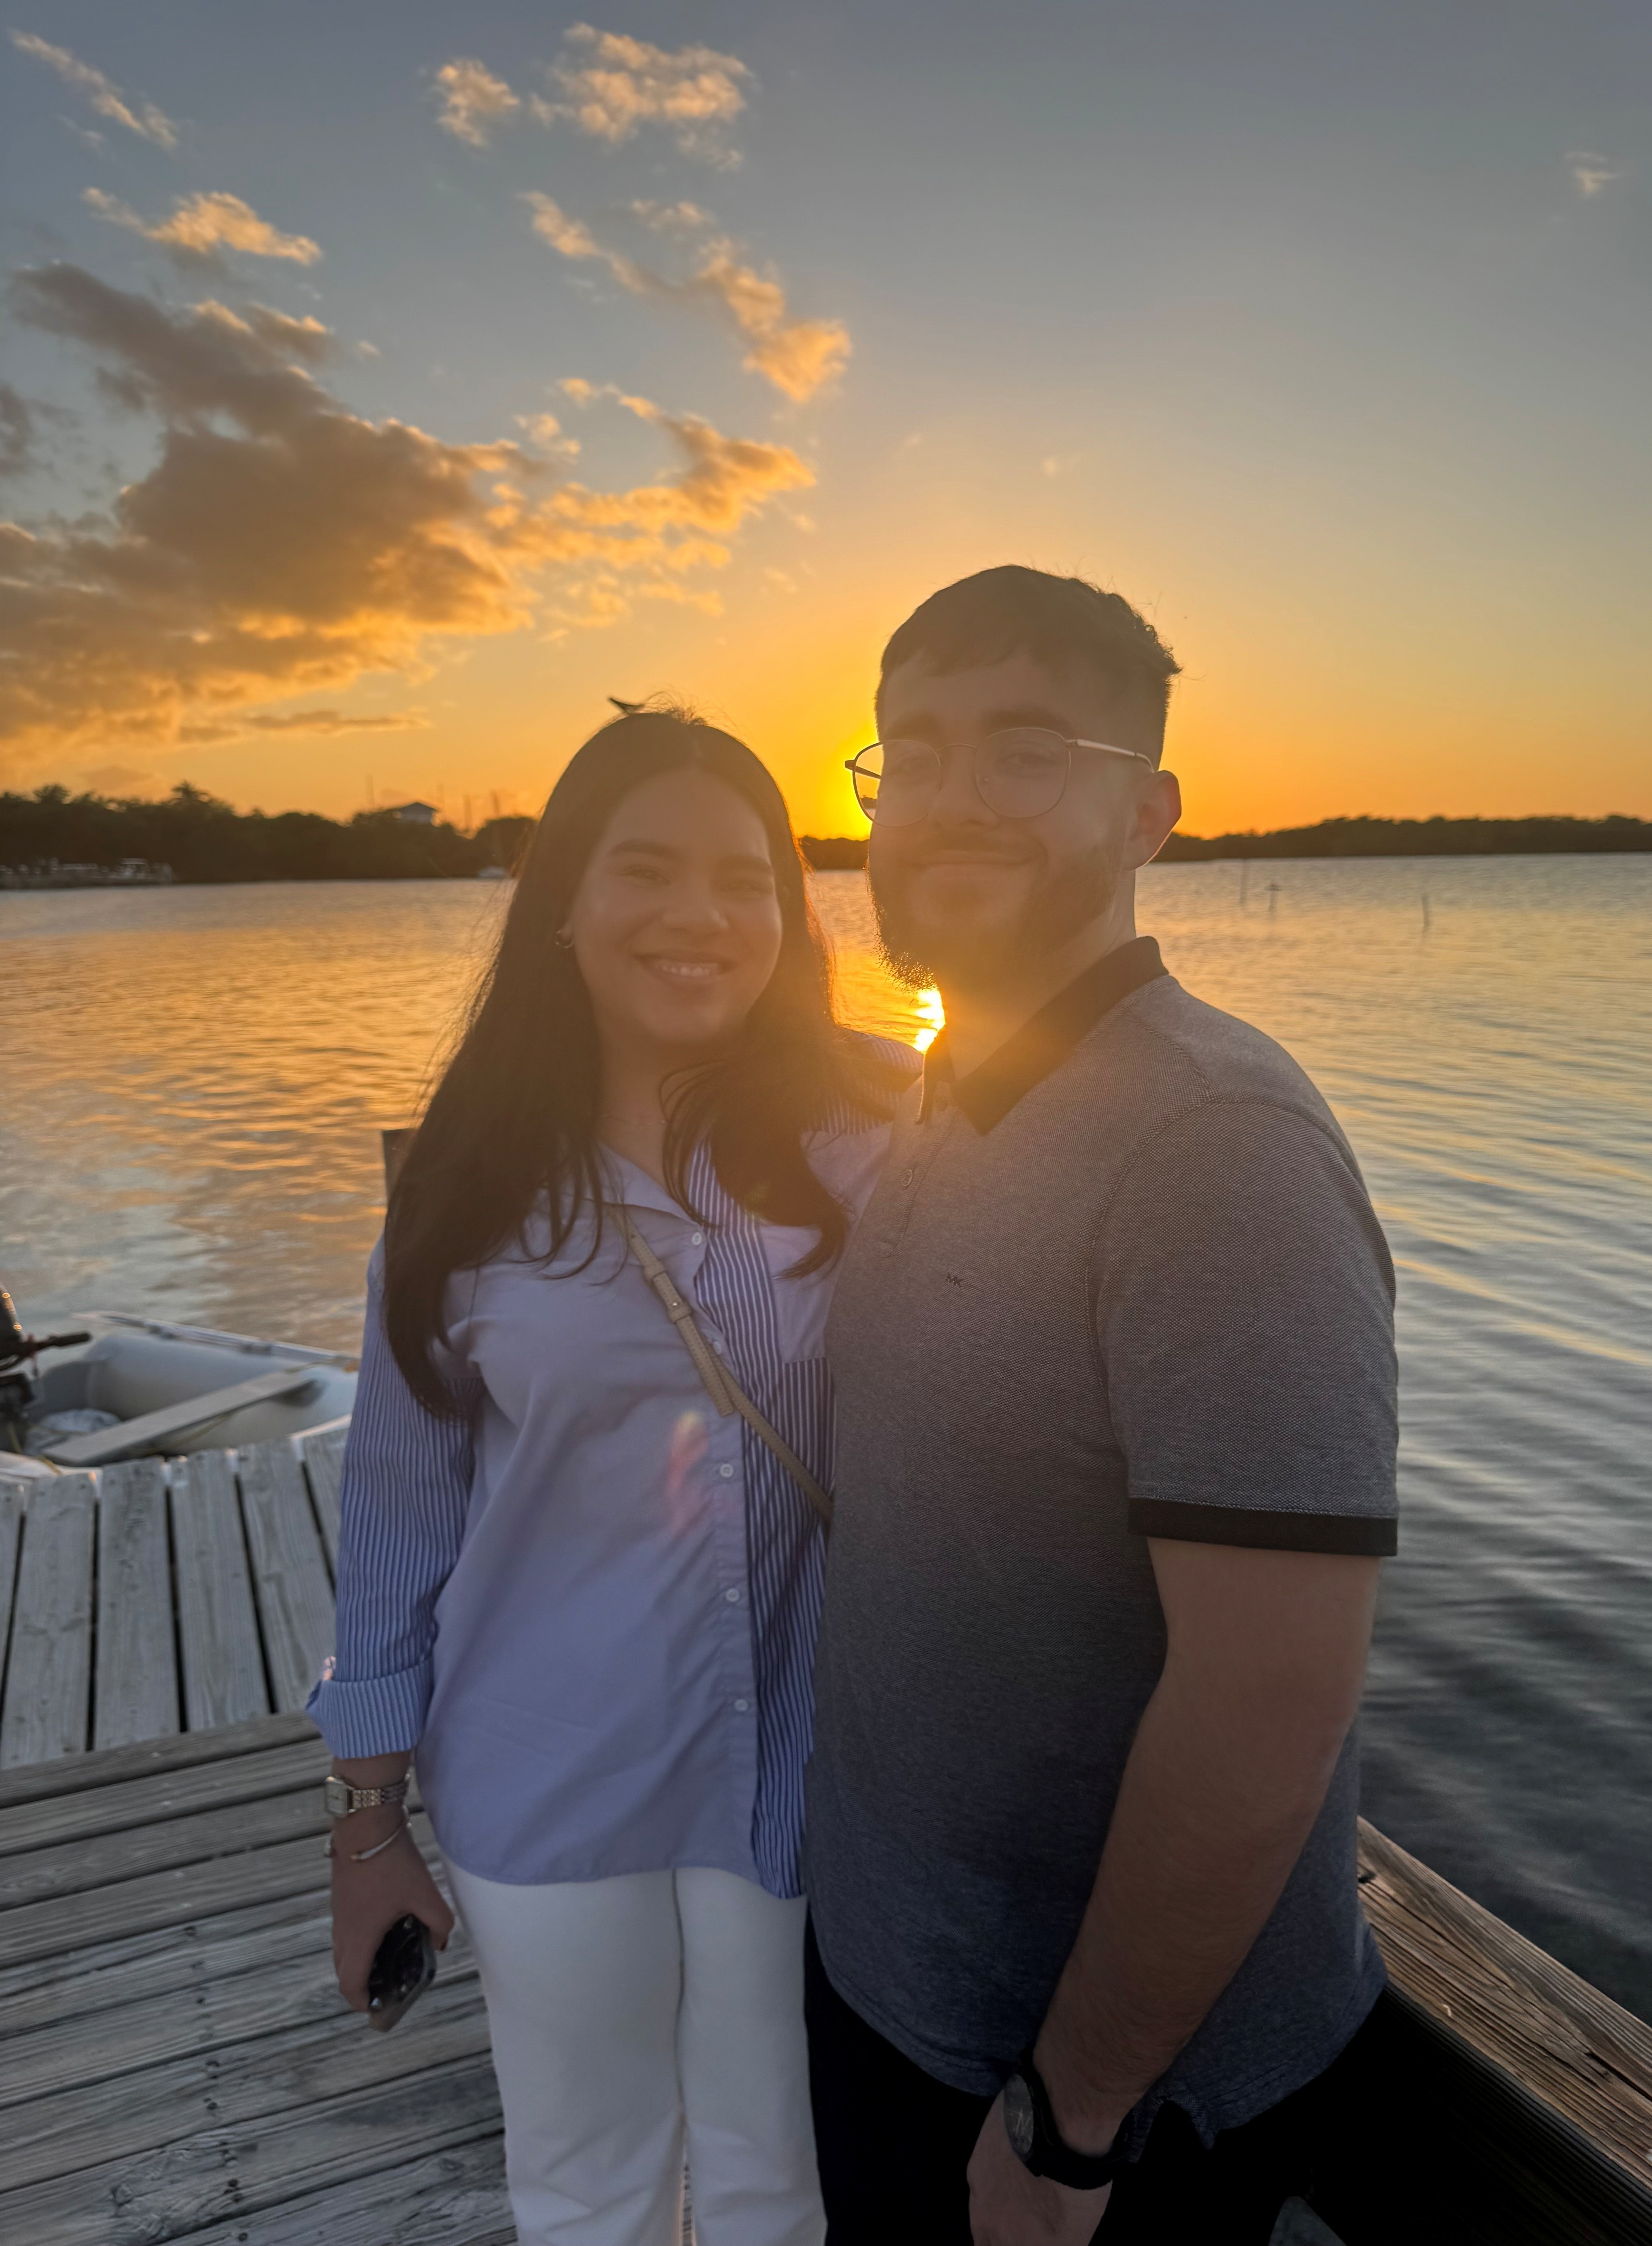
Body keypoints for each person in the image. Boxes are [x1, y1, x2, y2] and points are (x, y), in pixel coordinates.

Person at [803, 567, 1400, 2244]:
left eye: (1025, 751)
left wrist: (1069, 2125)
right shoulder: (957, 1088)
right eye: (914, 752)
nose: (952, 798)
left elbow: (1268, 1699)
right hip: (900, 1995)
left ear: (1147, 815)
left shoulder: (1215, 1150)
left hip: (1089, 2105)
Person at [308, 705, 912, 2246]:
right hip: (547, 1762)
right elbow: (397, 1511)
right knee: (589, 2187)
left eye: (744, 879)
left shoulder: (874, 1135)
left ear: (789, 915)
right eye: (646, 869)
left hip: (802, 1772)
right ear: (565, 903)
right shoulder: (467, 1191)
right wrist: (369, 1824)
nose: (699, 915)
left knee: (786, 2183)